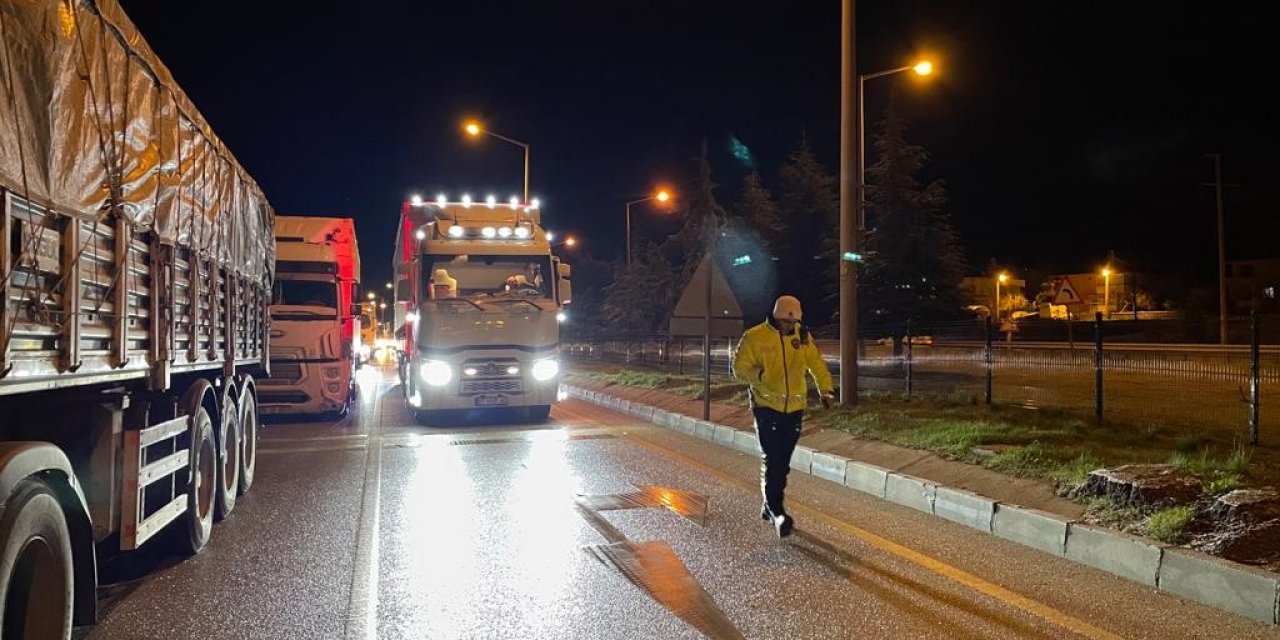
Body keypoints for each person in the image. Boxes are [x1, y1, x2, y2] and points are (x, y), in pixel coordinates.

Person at [731, 295, 835, 538]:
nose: (791, 327)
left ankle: (769, 504)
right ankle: (777, 510)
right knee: (773, 459)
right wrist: (761, 375)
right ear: (776, 318)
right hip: (766, 407)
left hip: (794, 409)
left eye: (794, 322)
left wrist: (826, 390)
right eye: (786, 323)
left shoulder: (803, 337)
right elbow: (739, 369)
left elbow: (816, 364)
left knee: (782, 463)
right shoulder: (755, 337)